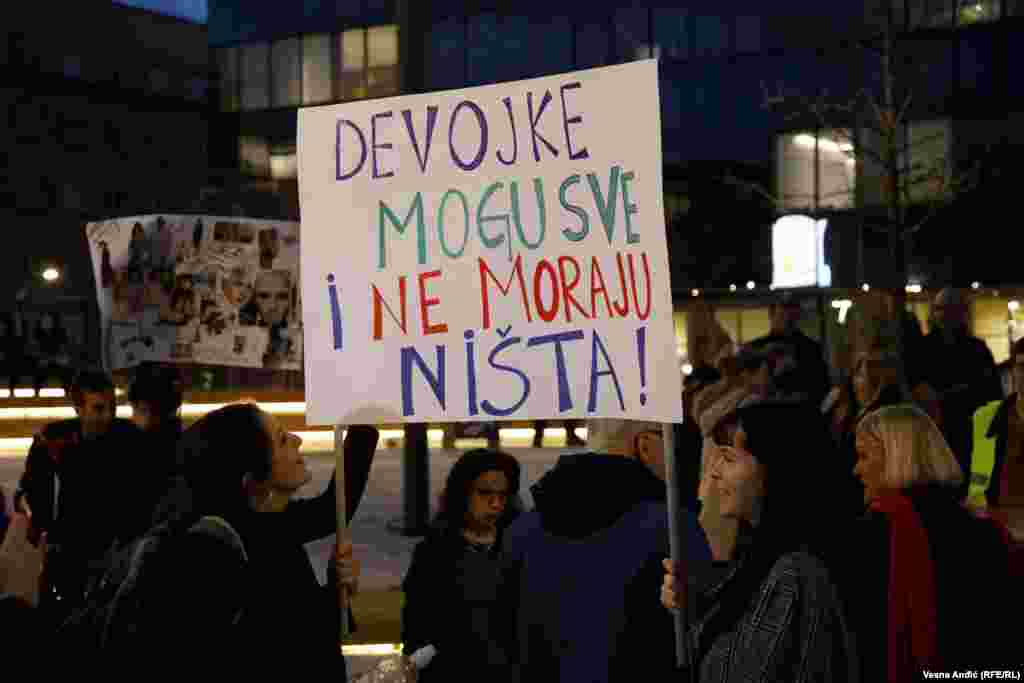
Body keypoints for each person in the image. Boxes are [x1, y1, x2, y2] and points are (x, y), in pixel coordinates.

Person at [109, 404, 378, 667]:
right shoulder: (219, 562)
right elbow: (291, 650)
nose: (297, 439)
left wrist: (363, 416)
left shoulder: (265, 519)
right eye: (282, 440)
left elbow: (328, 511)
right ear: (253, 482)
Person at [500, 419, 711, 683]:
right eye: (675, 440)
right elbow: (706, 632)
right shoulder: (673, 528)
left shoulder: (520, 530)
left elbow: (502, 636)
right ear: (644, 446)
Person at [662, 400, 859, 682]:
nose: (714, 472)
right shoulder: (761, 556)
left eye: (728, 458)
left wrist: (696, 617)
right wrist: (692, 606)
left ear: (775, 466)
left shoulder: (795, 571)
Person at [844, 404, 1013, 677]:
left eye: (863, 456)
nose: (856, 470)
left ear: (897, 457)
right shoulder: (982, 527)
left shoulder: (878, 529)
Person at [13, 369, 146, 624]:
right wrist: (37, 524)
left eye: (112, 407)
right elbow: (27, 491)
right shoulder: (53, 441)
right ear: (78, 408)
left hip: (116, 550)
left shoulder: (129, 439)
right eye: (98, 408)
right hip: (66, 549)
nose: (108, 415)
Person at [402, 449, 523, 682]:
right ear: (463, 493)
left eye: (503, 495)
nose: (495, 503)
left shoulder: (519, 547)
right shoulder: (435, 551)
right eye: (485, 493)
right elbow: (416, 622)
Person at [916, 288, 1003, 499]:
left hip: (968, 437)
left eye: (950, 310)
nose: (944, 315)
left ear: (961, 313)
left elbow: (991, 397)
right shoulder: (922, 349)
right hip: (934, 437)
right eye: (939, 309)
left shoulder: (977, 350)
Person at [968, 338, 1024, 534]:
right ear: (1013, 370)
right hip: (1001, 521)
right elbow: (978, 478)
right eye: (1021, 366)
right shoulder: (988, 417)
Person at [746, 292, 832, 407]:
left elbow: (822, 388)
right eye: (784, 307)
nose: (789, 314)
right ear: (772, 312)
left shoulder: (811, 348)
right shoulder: (754, 348)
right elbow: (745, 390)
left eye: (793, 307)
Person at [127, 363, 185, 530]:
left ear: (145, 408)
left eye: (134, 409)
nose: (132, 417)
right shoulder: (185, 443)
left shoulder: (140, 452)